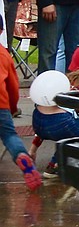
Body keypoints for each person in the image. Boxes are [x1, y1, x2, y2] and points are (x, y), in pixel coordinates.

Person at [0, 47, 39, 190]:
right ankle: (22, 156)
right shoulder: (3, 54)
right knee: (10, 136)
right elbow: (13, 86)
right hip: (1, 104)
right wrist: (12, 107)